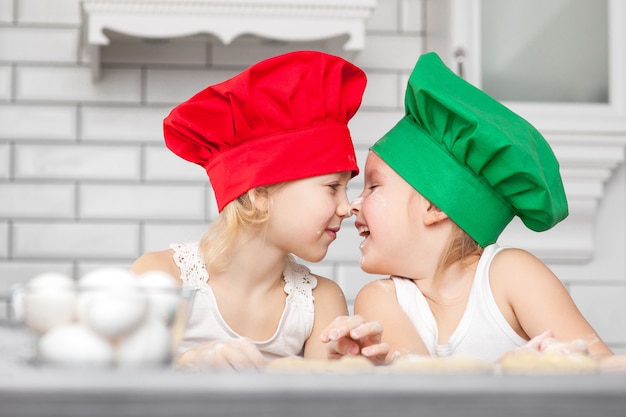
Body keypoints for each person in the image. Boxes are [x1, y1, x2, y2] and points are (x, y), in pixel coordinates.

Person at [321, 52, 614, 364]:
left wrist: (560, 362)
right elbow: (422, 391)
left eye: (373, 186)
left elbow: (605, 371)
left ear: (434, 206)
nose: (353, 204)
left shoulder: (511, 275)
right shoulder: (382, 299)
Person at [131, 50, 367, 371]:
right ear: (260, 194)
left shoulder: (319, 300)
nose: (348, 206)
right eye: (331, 187)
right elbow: (118, 391)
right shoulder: (163, 277)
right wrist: (186, 364)